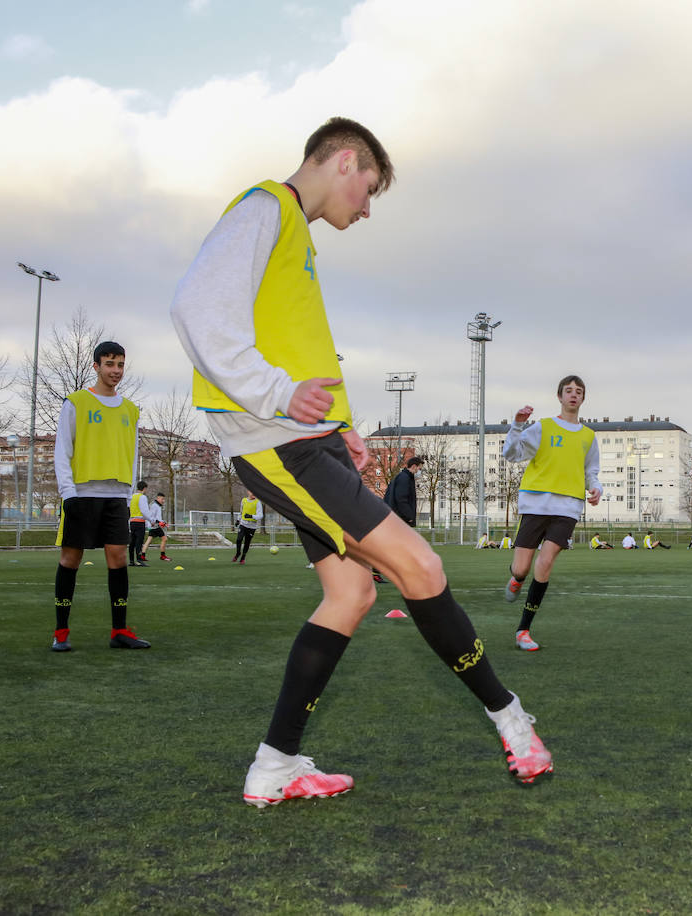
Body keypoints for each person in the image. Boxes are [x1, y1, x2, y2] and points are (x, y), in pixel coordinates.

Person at [170, 116, 551, 803]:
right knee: (421, 565)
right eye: (369, 189)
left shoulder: (295, 239)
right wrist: (277, 393)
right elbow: (195, 310)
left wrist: (337, 424)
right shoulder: (265, 208)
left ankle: (275, 765)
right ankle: (511, 719)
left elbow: (290, 342)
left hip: (306, 440)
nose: (367, 208)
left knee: (352, 594)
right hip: (276, 441)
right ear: (344, 161)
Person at [50, 340, 149, 652]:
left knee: (118, 559)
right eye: (109, 364)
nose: (115, 370)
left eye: (120, 364)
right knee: (71, 559)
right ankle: (61, 633)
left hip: (116, 497)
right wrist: (68, 493)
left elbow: (132, 455)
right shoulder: (76, 402)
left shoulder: (130, 409)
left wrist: (127, 491)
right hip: (80, 494)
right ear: (96, 366)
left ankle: (119, 630)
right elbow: (62, 450)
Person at [500, 375, 603, 652]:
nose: (573, 395)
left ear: (583, 398)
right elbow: (512, 454)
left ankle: (523, 630)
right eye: (568, 391)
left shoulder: (588, 436)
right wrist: (518, 425)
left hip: (567, 508)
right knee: (523, 567)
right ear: (559, 396)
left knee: (544, 565)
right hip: (535, 504)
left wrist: (595, 487)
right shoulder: (543, 427)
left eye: (578, 391)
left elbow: (591, 470)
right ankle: (516, 579)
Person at [232, 489, 260, 564]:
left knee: (247, 542)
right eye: (251, 491)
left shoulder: (258, 502)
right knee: (239, 539)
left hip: (252, 526)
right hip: (243, 524)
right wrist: (238, 520)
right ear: (248, 492)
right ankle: (238, 553)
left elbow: (260, 516)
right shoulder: (243, 500)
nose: (253, 493)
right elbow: (241, 512)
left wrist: (251, 516)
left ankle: (243, 557)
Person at [142, 492, 171, 562]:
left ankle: (142, 555)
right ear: (158, 498)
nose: (163, 501)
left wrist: (163, 522)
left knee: (149, 541)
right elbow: (151, 516)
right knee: (164, 539)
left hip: (155, 526)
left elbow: (158, 517)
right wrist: (159, 523)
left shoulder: (157, 506)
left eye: (164, 499)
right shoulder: (154, 506)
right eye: (162, 499)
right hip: (155, 526)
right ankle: (162, 556)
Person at [128, 480, 151, 567]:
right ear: (144, 488)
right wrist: (151, 521)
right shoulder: (142, 497)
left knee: (132, 542)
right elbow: (145, 511)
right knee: (139, 542)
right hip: (140, 522)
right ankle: (139, 560)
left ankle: (131, 560)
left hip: (132, 522)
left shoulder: (132, 496)